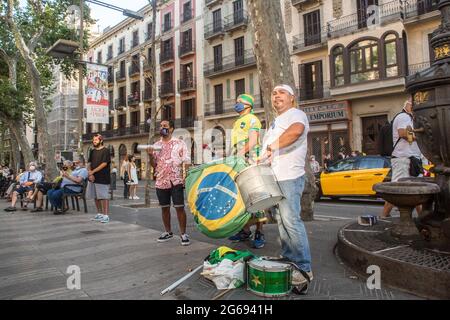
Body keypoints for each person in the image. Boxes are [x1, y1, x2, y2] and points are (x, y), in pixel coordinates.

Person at [260, 84, 313, 294]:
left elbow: (296, 132)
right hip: (275, 177)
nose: (276, 96)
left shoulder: (296, 114)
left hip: (290, 176)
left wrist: (271, 147)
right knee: (281, 220)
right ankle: (288, 257)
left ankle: (304, 269)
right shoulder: (274, 122)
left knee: (291, 220)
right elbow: (267, 150)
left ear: (292, 98)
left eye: (281, 92)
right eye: (273, 93)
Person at [227, 93, 266, 249]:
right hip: (239, 161)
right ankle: (245, 231)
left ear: (249, 105)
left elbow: (252, 141)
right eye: (236, 102)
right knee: (243, 198)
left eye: (240, 102)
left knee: (256, 197)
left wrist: (240, 154)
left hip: (250, 161)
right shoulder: (237, 122)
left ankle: (260, 232)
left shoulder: (253, 119)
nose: (237, 104)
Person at [147, 120, 191, 246]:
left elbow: (186, 160)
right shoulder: (156, 145)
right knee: (164, 208)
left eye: (165, 126)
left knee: (179, 208)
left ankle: (183, 234)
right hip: (161, 181)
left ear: (171, 129)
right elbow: (154, 165)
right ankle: (168, 232)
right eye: (160, 126)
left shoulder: (180, 143)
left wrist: (185, 176)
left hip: (176, 181)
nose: (162, 128)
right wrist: (150, 156)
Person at [381, 98, 422, 218]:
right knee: (396, 191)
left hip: (411, 159)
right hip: (403, 159)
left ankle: (423, 219)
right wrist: (419, 136)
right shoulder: (403, 117)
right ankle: (383, 217)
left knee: (418, 190)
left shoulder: (410, 118)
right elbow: (403, 134)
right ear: (410, 105)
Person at [87, 134, 112, 223]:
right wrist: (90, 174)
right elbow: (89, 163)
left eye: (96, 140)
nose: (94, 141)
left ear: (101, 140)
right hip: (93, 178)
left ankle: (106, 215)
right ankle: (100, 214)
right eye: (93, 140)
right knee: (96, 196)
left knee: (104, 197)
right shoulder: (92, 151)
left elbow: (104, 164)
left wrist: (92, 172)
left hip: (103, 177)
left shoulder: (106, 151)